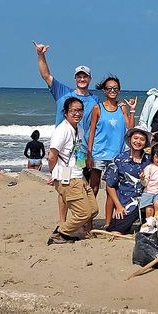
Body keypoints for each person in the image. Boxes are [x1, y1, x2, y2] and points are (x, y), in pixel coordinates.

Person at [34, 41, 100, 226]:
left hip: (81, 151)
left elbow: (96, 125)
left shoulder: (95, 99)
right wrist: (41, 55)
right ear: (75, 78)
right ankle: (63, 222)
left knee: (80, 185)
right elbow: (46, 75)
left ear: (90, 79)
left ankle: (85, 222)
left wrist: (90, 153)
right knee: (64, 188)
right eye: (79, 76)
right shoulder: (63, 92)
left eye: (85, 76)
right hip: (64, 151)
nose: (82, 79)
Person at [47, 98, 99, 245]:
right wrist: (54, 174)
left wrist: (84, 165)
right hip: (67, 177)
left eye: (80, 110)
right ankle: (60, 234)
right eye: (73, 110)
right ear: (65, 113)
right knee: (83, 213)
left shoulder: (79, 129)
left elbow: (78, 152)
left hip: (78, 175)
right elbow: (52, 156)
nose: (77, 113)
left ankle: (65, 230)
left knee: (93, 210)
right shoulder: (62, 130)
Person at [87, 76, 136, 228]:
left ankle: (108, 223)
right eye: (109, 88)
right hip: (99, 154)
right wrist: (89, 153)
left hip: (116, 155)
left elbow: (130, 128)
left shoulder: (122, 108)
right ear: (104, 91)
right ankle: (88, 221)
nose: (112, 91)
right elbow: (92, 131)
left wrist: (132, 110)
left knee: (111, 189)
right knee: (94, 187)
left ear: (119, 90)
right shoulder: (97, 108)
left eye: (115, 88)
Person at [104, 127, 151, 235]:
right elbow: (110, 185)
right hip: (127, 202)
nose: (138, 142)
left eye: (142, 139)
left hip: (146, 200)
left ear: (146, 142)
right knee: (116, 231)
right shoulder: (119, 159)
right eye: (135, 138)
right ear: (130, 139)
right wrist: (118, 206)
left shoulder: (150, 160)